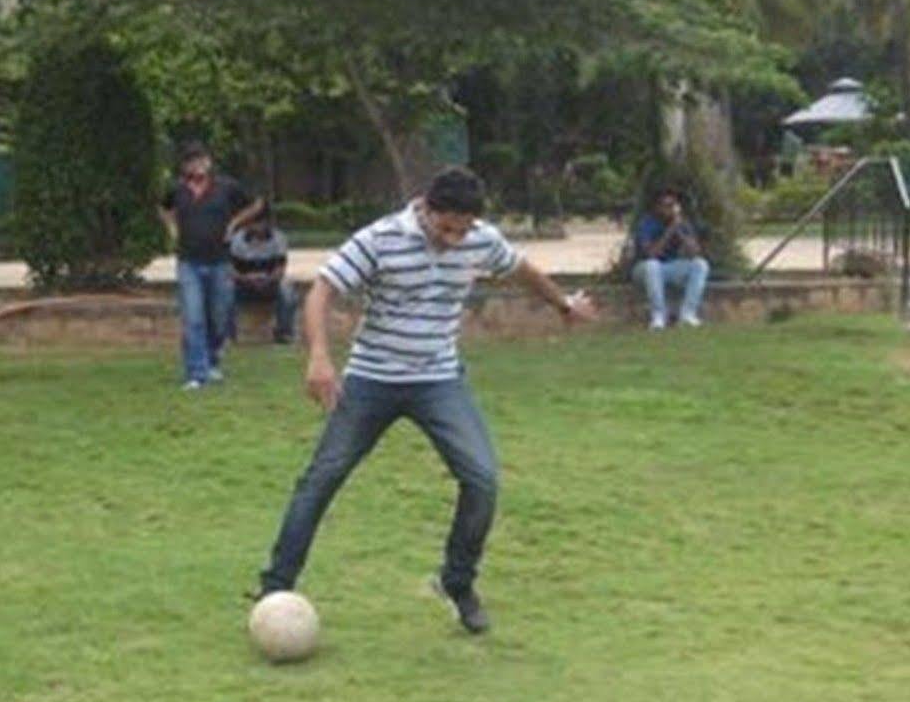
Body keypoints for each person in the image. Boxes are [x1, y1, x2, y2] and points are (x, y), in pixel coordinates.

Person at [256, 165, 596, 634]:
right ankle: (276, 586)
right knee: (323, 477)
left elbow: (522, 269)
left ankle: (457, 582)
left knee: (482, 479)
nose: (453, 240)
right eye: (445, 228)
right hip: (371, 380)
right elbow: (321, 291)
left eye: (463, 231)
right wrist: (318, 356)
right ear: (426, 209)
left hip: (438, 379)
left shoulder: (478, 238)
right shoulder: (380, 238)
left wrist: (563, 306)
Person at [160, 141, 264, 389]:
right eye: (191, 161)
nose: (198, 165)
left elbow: (255, 204)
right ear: (184, 166)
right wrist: (172, 228)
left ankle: (212, 359)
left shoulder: (225, 187)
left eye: (201, 159)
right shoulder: (178, 190)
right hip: (189, 262)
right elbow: (164, 208)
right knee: (193, 316)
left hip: (219, 261)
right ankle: (197, 372)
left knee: (219, 315)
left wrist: (233, 224)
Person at [630, 186, 710, 329]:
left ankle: (688, 314)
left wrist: (681, 232)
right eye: (666, 206)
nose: (670, 209)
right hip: (644, 269)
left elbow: (695, 252)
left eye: (673, 205)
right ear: (657, 207)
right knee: (653, 266)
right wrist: (670, 230)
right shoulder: (647, 223)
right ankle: (658, 316)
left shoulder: (681, 223)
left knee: (700, 265)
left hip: (669, 267)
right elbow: (651, 254)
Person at [226, 204, 299, 346]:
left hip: (270, 284)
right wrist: (246, 279)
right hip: (243, 284)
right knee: (225, 291)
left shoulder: (278, 239)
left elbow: (280, 269)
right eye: (254, 223)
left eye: (261, 222)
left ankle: (284, 334)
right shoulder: (238, 240)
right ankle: (228, 335)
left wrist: (267, 280)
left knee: (287, 291)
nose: (257, 227)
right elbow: (231, 270)